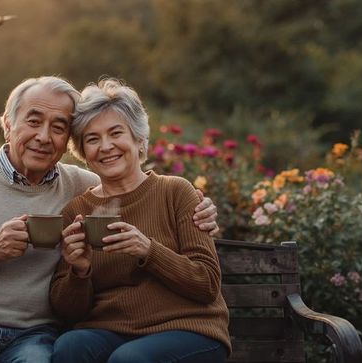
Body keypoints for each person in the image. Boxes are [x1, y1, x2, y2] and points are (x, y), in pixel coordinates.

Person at [0, 76, 220, 363]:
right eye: (33, 121)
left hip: (32, 334)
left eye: (58, 127)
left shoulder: (83, 188)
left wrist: (199, 210)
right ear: (8, 124)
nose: (44, 137)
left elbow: (136, 188)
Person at [50, 78, 231, 363]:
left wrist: (149, 249)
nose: (106, 146)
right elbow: (68, 312)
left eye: (115, 133)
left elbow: (206, 284)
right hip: (109, 331)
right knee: (69, 348)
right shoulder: (78, 210)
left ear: (138, 139)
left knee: (129, 360)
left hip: (187, 329)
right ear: (83, 153)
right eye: (93, 139)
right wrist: (80, 271)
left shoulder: (176, 192)